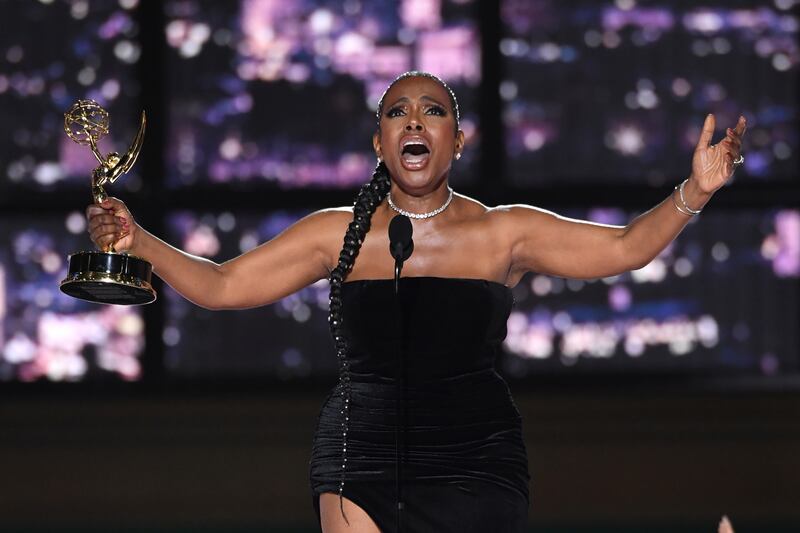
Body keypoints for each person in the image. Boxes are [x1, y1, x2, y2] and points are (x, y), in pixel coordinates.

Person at [86, 71, 746, 532]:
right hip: (359, 454)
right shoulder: (334, 233)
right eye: (398, 110)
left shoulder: (502, 230)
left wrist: (695, 189)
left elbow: (627, 246)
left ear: (458, 140)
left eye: (433, 110)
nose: (415, 120)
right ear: (379, 142)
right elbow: (224, 286)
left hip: (476, 460)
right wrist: (140, 239)